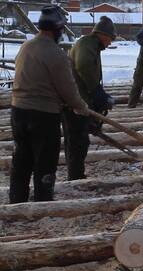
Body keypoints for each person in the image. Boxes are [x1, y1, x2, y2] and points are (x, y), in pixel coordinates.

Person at [9, 5, 89, 203]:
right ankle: (43, 203)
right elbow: (68, 90)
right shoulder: (56, 54)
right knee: (45, 162)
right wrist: (82, 107)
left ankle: (16, 201)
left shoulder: (26, 47)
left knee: (22, 159)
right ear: (58, 29)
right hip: (43, 116)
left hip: (18, 112)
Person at [63, 16, 116, 180]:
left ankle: (76, 174)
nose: (110, 43)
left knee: (79, 140)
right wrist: (96, 92)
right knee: (77, 141)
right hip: (74, 102)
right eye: (111, 39)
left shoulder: (91, 45)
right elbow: (84, 66)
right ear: (103, 35)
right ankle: (75, 176)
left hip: (79, 100)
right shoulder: (87, 44)